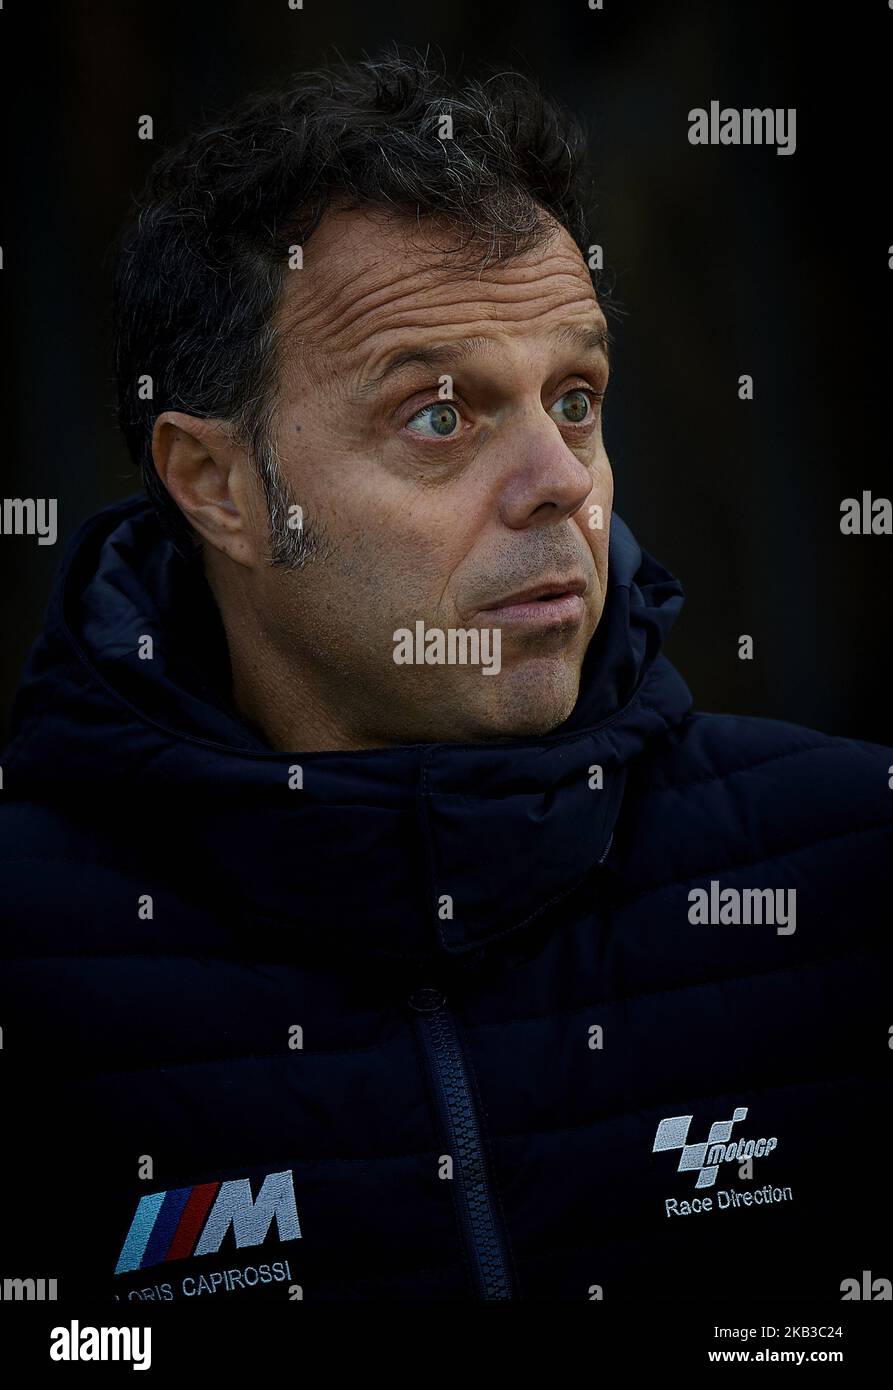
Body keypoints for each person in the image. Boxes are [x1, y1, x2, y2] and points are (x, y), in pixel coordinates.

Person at [0, 48, 889, 1305]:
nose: (561, 484)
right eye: (439, 415)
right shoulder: (32, 963)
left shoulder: (850, 866)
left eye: (573, 399)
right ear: (218, 486)